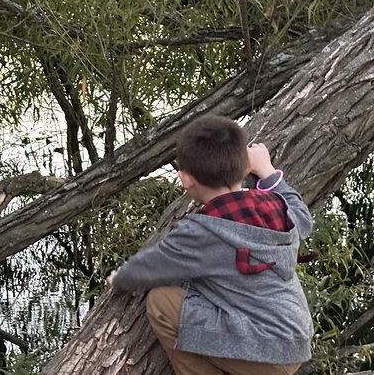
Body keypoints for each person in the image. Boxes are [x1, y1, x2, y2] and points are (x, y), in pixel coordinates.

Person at [108, 115, 313, 375]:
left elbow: (150, 267)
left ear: (184, 179)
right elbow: (303, 219)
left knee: (160, 302)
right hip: (296, 339)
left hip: (262, 353)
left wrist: (120, 277)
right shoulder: (276, 205)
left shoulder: (200, 232)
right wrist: (269, 172)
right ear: (245, 168)